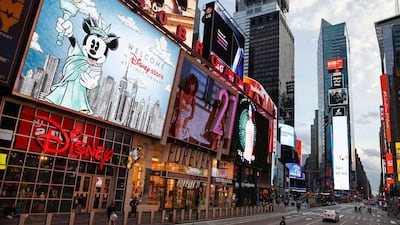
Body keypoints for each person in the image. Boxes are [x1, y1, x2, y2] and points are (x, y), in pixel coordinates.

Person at [171, 73, 199, 140]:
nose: (191, 87)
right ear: (188, 84)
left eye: (193, 85)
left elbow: (192, 115)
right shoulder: (182, 92)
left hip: (185, 118)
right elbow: (180, 106)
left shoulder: (193, 98)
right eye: (191, 84)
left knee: (183, 132)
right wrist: (179, 117)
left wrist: (186, 119)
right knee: (179, 124)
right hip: (178, 115)